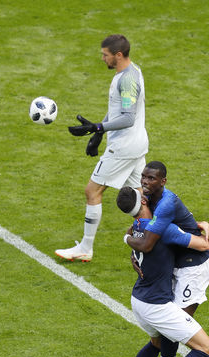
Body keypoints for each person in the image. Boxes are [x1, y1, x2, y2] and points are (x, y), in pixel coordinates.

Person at [122, 162, 209, 357]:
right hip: (177, 264)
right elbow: (138, 220)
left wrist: (128, 239)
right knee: (166, 333)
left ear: (163, 181)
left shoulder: (165, 207)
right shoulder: (148, 201)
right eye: (143, 177)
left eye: (151, 178)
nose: (145, 182)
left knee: (176, 330)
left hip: (194, 268)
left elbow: (149, 243)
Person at [55, 34, 148, 261]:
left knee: (92, 191)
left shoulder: (127, 80)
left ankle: (85, 248)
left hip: (124, 148)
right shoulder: (131, 71)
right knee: (140, 198)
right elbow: (117, 110)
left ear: (118, 55)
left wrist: (99, 126)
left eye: (105, 55)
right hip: (136, 145)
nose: (102, 58)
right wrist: (100, 132)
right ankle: (154, 242)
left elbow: (127, 118)